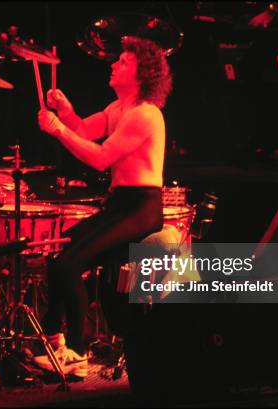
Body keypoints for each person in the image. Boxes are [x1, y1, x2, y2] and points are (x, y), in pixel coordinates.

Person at [33, 36, 173, 378]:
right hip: (121, 203)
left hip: (141, 207)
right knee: (58, 258)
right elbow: (84, 129)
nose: (113, 64)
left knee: (69, 264)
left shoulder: (145, 114)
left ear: (142, 74)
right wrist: (66, 113)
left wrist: (58, 130)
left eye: (122, 62)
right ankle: (55, 342)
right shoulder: (117, 109)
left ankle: (77, 354)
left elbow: (99, 158)